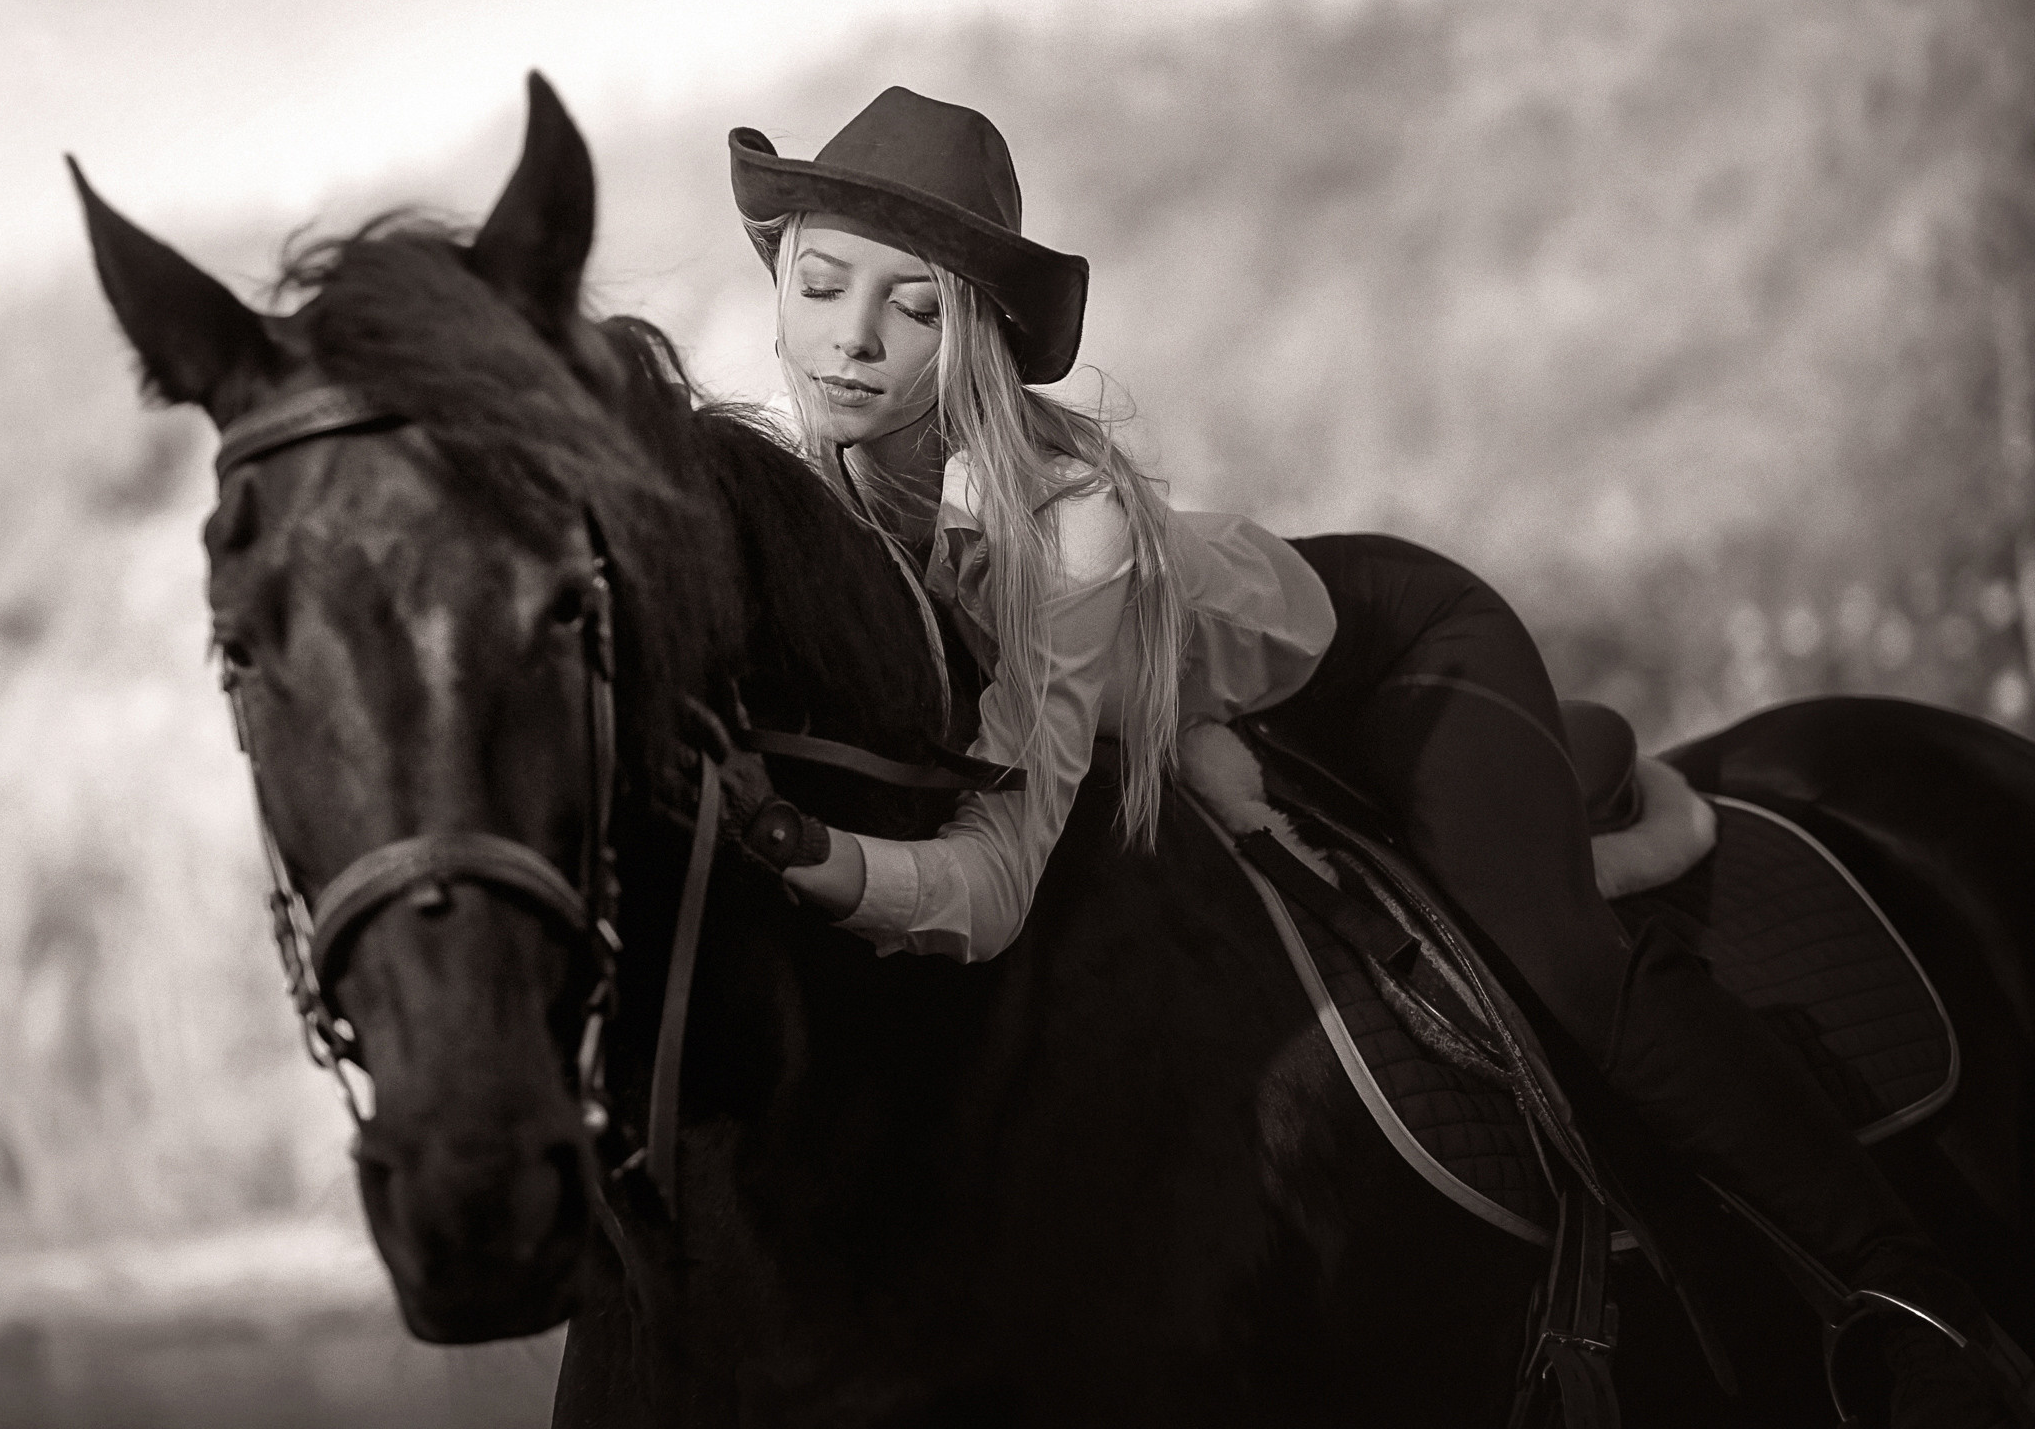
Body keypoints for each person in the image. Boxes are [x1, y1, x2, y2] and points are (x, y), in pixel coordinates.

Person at [716, 85, 2020, 1427]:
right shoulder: (815, 505)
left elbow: (998, 867)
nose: (853, 339)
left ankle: (1908, 1301)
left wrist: (814, 859)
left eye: (913, 307)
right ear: (780, 288)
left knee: (1556, 956)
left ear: (975, 334)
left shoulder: (1068, 523)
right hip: (1213, 701)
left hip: (1395, 656)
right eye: (823, 286)